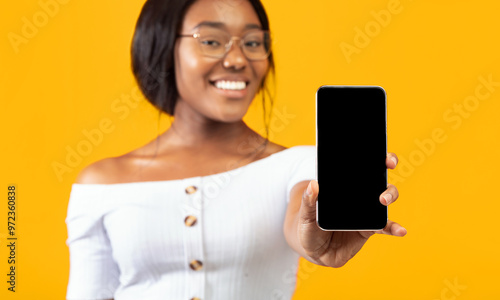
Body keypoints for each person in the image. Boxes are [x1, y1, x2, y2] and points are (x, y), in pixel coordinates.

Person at [65, 0, 406, 299]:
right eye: (211, 40)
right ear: (162, 46)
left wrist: (316, 240)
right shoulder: (100, 183)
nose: (238, 59)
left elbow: (302, 224)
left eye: (253, 42)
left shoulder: (299, 165)